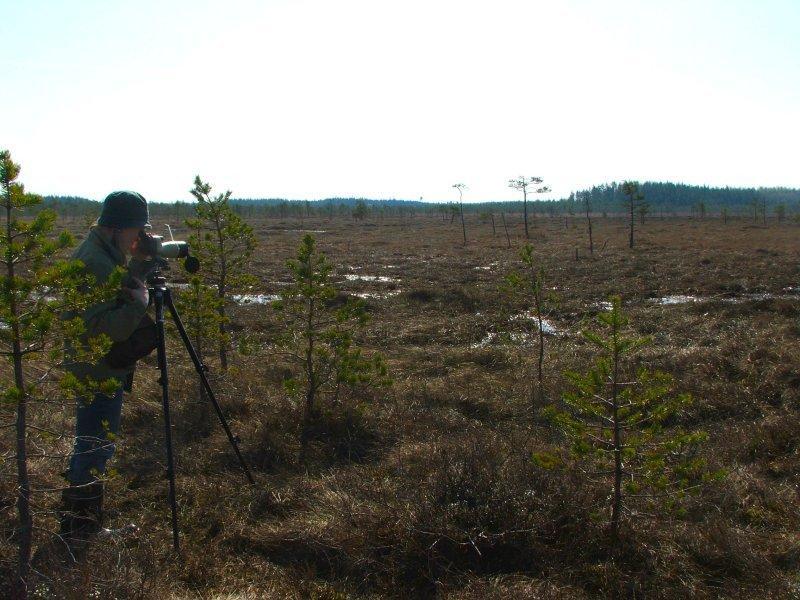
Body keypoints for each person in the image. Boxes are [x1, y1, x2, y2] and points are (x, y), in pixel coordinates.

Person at [59, 190, 157, 549]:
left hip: (95, 366)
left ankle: (79, 521)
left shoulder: (101, 253)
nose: (138, 238)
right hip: (96, 369)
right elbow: (107, 327)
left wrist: (139, 268)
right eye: (135, 231)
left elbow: (111, 294)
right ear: (116, 228)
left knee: (93, 444)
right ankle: (80, 530)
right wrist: (139, 304)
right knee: (95, 447)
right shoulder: (95, 263)